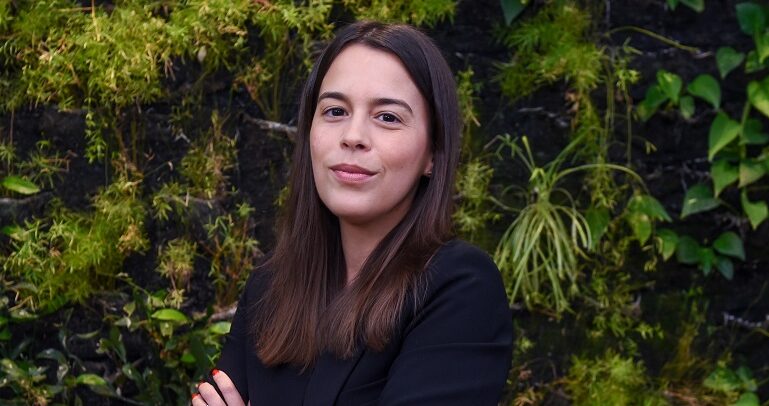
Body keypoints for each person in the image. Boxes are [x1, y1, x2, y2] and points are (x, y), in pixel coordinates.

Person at [192, 20, 513, 406]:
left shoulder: (460, 289)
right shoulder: (269, 290)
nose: (353, 136)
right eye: (335, 111)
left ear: (433, 152)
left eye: (388, 117)